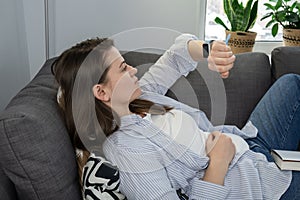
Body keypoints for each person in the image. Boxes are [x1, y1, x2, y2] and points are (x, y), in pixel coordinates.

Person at [52, 33, 300, 200]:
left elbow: (176, 55)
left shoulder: (142, 96)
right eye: (123, 68)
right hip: (255, 179)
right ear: (101, 92)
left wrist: (209, 50)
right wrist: (218, 162)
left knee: (292, 84)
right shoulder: (127, 152)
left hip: (250, 142)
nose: (134, 69)